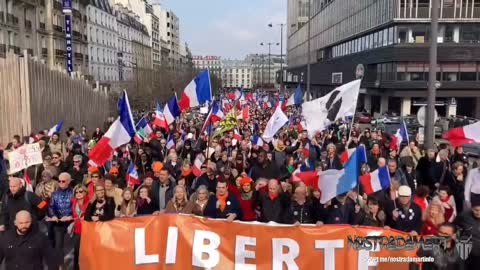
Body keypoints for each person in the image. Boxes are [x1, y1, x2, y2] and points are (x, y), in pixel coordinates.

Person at [46, 172, 73, 263]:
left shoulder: (74, 193)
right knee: (57, 245)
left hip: (70, 222)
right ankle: (57, 265)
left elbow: (77, 207)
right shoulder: (55, 194)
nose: (60, 182)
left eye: (63, 181)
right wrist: (53, 216)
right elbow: (51, 207)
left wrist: (70, 216)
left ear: (68, 181)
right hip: (58, 222)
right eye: (59, 181)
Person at [454, 193, 480, 268]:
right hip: (469, 253)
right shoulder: (464, 215)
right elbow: (454, 225)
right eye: (476, 210)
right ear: (472, 208)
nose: (478, 213)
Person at [71, 184, 90, 270]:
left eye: (80, 191)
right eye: (76, 192)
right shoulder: (74, 201)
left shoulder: (90, 202)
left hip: (88, 232)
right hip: (77, 231)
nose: (78, 193)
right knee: (76, 252)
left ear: (85, 192)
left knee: (86, 253)